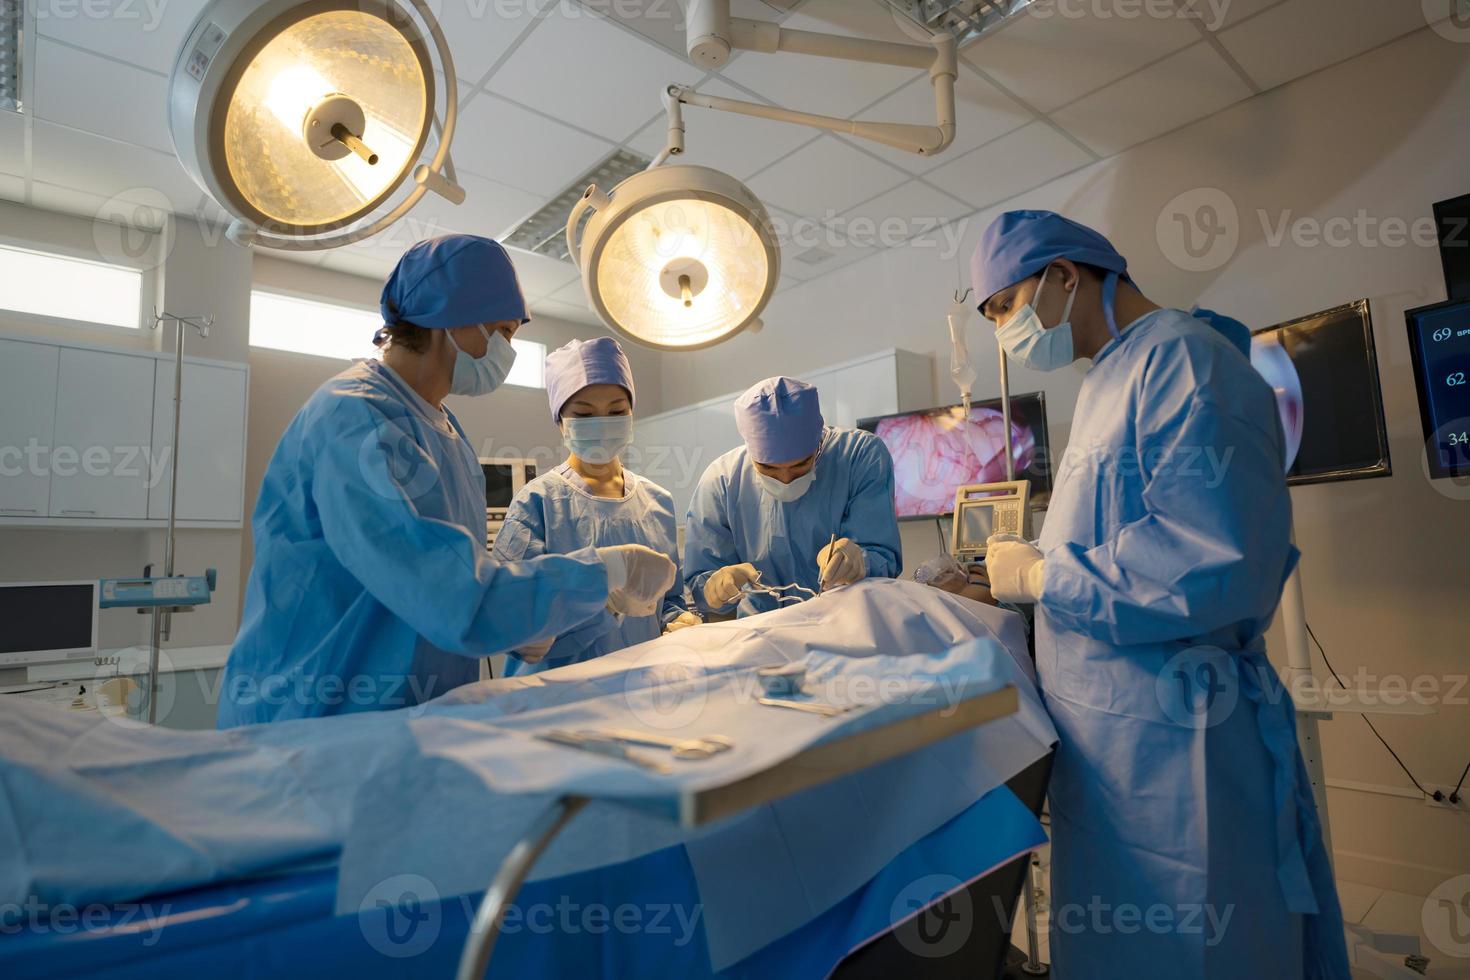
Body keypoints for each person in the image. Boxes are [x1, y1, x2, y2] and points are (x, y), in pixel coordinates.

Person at [971, 210, 1348, 978]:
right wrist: (1024, 571)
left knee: (1200, 949)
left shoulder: (1186, 361)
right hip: (1114, 745)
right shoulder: (1110, 380)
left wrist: (1045, 575)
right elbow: (1121, 533)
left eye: (1004, 306)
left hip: (1180, 747)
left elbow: (1212, 557)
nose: (1002, 331)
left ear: (1064, 277)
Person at [219, 235, 674, 727]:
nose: (507, 350)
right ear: (451, 319)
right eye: (502, 331)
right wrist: (606, 571)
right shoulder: (358, 420)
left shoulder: (445, 430)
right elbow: (453, 595)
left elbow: (457, 573)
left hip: (410, 717)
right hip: (318, 714)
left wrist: (519, 623)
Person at [492, 337, 698, 675]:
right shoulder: (538, 501)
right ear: (560, 421)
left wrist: (680, 621)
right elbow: (513, 620)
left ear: (632, 414)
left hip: (641, 683)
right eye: (584, 414)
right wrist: (603, 606)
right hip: (558, 692)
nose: (602, 422)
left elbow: (669, 599)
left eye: (617, 411)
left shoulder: (657, 502)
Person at [684, 376, 901, 618]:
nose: (786, 479)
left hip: (847, 625)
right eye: (769, 469)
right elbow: (700, 587)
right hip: (763, 633)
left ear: (817, 441)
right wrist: (717, 588)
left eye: (800, 465)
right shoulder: (721, 481)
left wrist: (859, 560)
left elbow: (883, 557)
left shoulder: (860, 456)